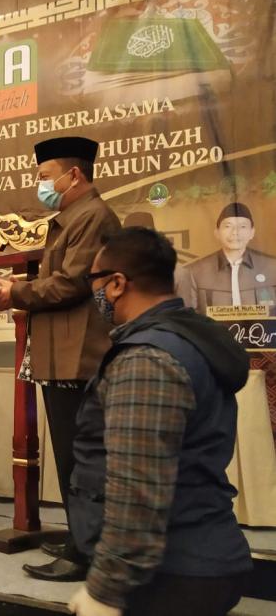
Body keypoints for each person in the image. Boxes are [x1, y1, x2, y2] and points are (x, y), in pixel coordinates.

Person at [68, 227, 251, 616]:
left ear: (116, 284)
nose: (94, 293)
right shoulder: (188, 337)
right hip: (194, 562)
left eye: (94, 281)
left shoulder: (146, 359)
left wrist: (104, 591)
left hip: (172, 575)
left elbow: (137, 489)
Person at [0, 136, 121, 581]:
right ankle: (83, 538)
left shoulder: (93, 217)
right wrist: (21, 287)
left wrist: (16, 293)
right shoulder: (73, 217)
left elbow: (71, 284)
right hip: (63, 354)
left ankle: (87, 553)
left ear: (73, 175)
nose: (40, 184)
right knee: (72, 456)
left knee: (81, 459)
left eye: (45, 176)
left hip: (78, 357)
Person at [186, 202, 276, 315]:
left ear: (252, 232)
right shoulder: (195, 272)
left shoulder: (272, 267)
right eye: (228, 226)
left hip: (261, 332)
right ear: (217, 233)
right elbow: (188, 318)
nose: (235, 232)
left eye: (242, 226)